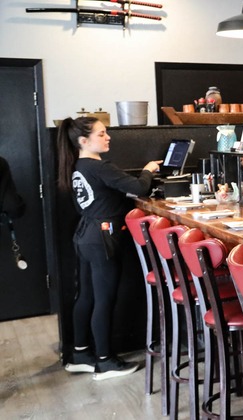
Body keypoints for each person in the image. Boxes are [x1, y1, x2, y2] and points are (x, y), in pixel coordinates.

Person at [56, 116, 162, 380]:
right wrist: (148, 169)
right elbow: (139, 187)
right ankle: (105, 361)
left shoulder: (78, 166)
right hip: (102, 238)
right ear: (84, 140)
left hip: (85, 236)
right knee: (104, 299)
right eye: (102, 134)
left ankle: (80, 354)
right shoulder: (100, 167)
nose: (108, 137)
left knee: (87, 297)